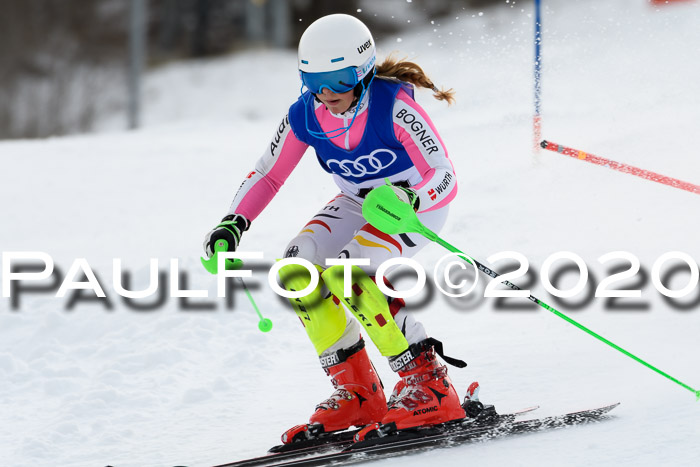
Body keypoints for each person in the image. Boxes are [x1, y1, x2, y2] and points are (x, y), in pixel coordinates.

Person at [203, 14, 466, 443]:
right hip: (358, 202)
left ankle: (429, 383)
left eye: (339, 80)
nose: (327, 94)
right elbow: (268, 174)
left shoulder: (393, 106)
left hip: (412, 206)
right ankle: (359, 392)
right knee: (296, 268)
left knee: (351, 270)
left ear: (362, 72)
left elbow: (444, 175)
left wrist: (411, 200)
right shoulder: (306, 114)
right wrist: (234, 222)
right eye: (314, 81)